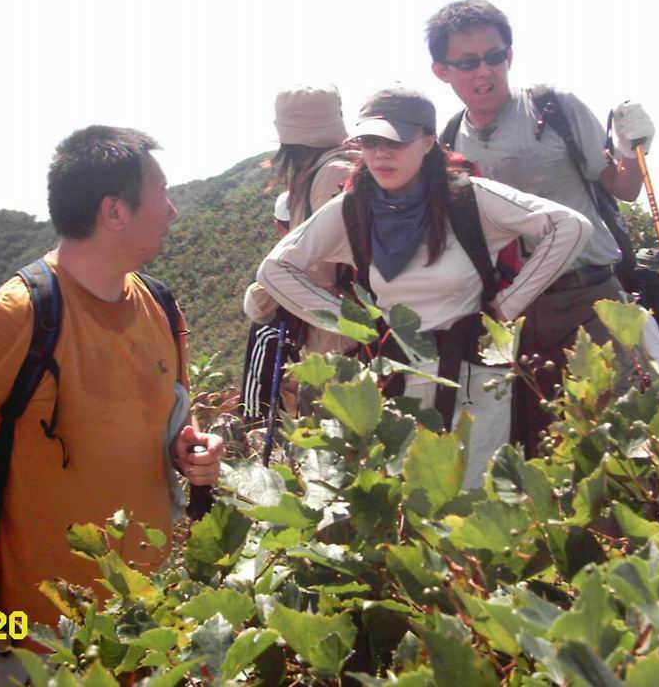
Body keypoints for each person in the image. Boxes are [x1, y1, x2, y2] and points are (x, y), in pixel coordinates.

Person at [0, 126, 223, 684]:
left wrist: (193, 450)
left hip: (149, 624)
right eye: (162, 194)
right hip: (30, 633)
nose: (173, 210)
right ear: (114, 211)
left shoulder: (159, 304)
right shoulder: (18, 315)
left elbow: (174, 422)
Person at [256, 86, 592, 490]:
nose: (382, 154)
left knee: (477, 498)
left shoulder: (469, 198)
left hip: (476, 379)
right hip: (399, 378)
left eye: (396, 141)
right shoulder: (352, 209)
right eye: (371, 142)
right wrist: (351, 322)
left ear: (429, 141)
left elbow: (571, 227)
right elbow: (275, 270)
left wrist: (505, 307)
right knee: (413, 501)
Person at [426, 0, 657, 454]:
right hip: (512, 315)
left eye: (494, 56)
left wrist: (633, 150)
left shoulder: (554, 107)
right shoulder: (449, 140)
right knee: (539, 449)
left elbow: (624, 187)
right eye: (468, 62)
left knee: (622, 437)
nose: (484, 71)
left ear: (510, 55)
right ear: (441, 71)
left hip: (589, 299)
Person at [245, 83, 360, 356]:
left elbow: (314, 270)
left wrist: (260, 298)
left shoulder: (330, 175)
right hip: (342, 332)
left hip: (340, 342)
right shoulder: (330, 169)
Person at [241, 192, 301, 424]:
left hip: (300, 423)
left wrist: (253, 420)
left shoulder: (270, 303)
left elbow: (256, 386)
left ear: (279, 227)